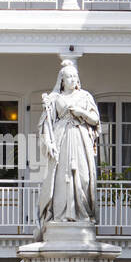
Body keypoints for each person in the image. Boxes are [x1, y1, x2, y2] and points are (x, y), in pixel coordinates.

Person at [36, 60, 99, 238]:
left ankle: (82, 214)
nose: (71, 79)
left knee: (83, 177)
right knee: (61, 178)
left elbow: (95, 119)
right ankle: (61, 214)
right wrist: (48, 141)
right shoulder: (54, 98)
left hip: (80, 139)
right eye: (68, 76)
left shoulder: (85, 97)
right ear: (62, 80)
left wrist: (81, 113)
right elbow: (45, 124)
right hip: (61, 139)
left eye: (74, 76)